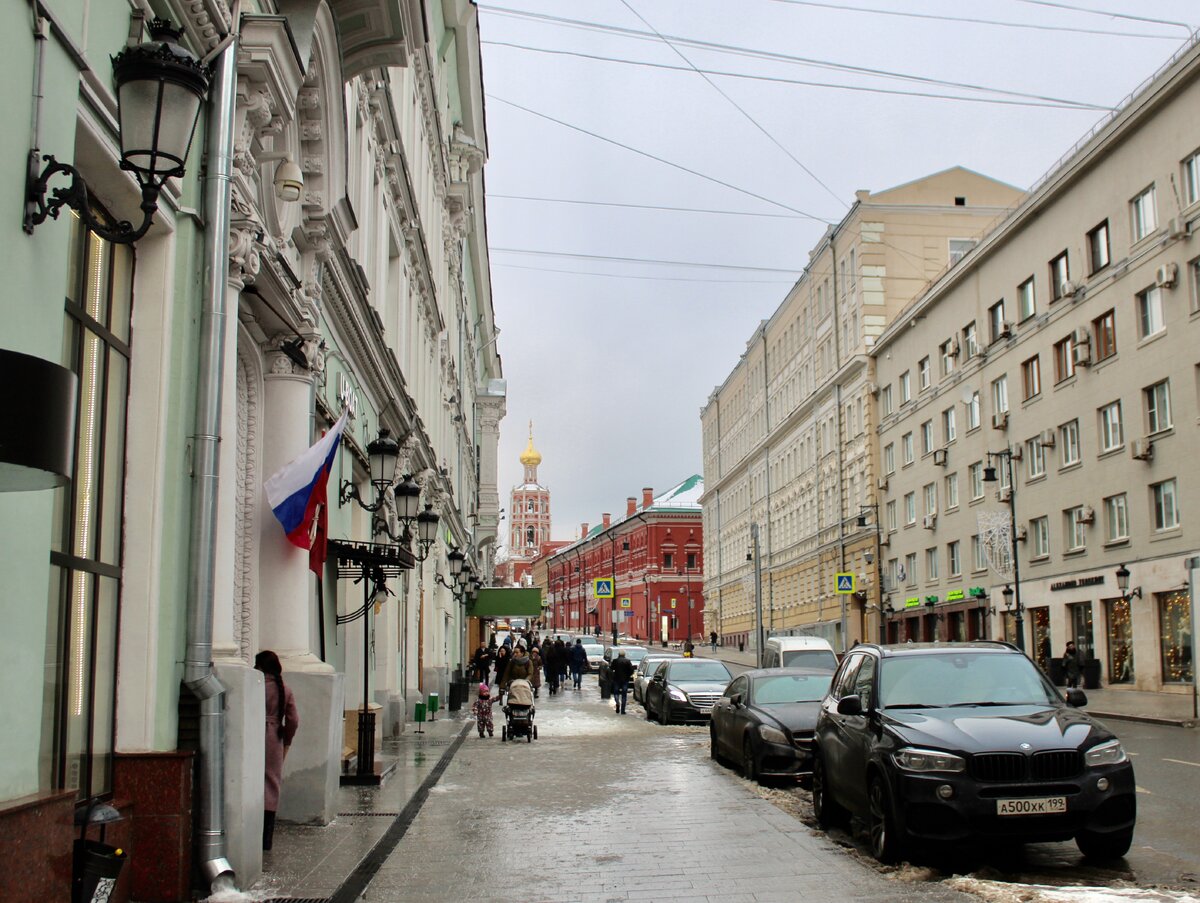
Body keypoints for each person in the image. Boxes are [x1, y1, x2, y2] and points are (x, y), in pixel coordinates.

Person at [255, 650, 298, 852]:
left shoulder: (254, 687)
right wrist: (286, 741)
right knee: (271, 783)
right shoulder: (285, 689)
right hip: (274, 739)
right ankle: (266, 838)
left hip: (252, 736)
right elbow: (293, 720)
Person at [610, 649, 636, 714]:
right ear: (624, 655)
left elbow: (611, 668)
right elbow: (631, 670)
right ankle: (623, 710)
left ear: (618, 654)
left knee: (616, 693)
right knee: (624, 695)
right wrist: (628, 675)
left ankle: (617, 702)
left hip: (616, 679)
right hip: (625, 680)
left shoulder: (615, 661)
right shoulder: (627, 661)